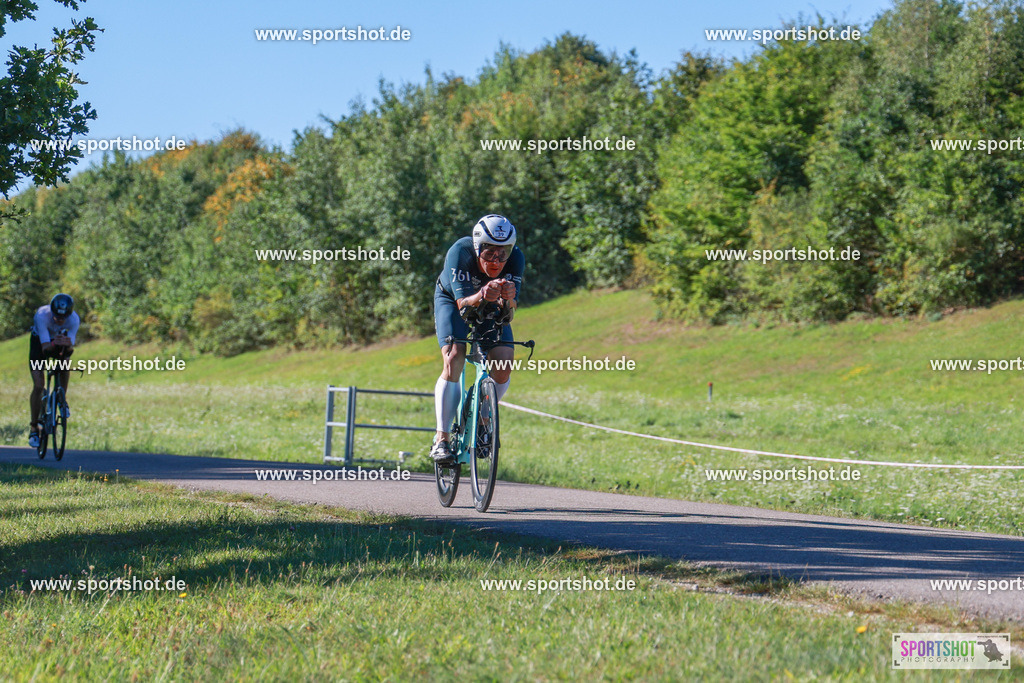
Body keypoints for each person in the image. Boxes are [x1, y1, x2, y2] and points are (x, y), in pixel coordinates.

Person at [431, 214, 524, 462]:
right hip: (453, 301)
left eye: (502, 253)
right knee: (454, 356)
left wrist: (509, 299)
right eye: (488, 252)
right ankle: (442, 438)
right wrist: (483, 293)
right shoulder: (459, 252)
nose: (496, 260)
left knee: (503, 364)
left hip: (490, 302)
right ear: (476, 247)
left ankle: (483, 419)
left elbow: (510, 311)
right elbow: (463, 306)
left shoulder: (516, 259)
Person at [28, 293, 79, 448]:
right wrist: (54, 343)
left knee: (65, 363)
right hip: (40, 343)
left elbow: (70, 349)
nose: (60, 320)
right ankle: (34, 427)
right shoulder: (42, 316)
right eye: (57, 317)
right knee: (38, 386)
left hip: (58, 343)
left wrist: (67, 345)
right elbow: (44, 348)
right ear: (52, 311)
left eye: (63, 318)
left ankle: (62, 399)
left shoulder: (74, 319)